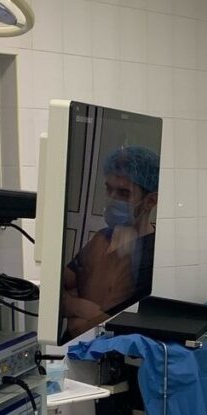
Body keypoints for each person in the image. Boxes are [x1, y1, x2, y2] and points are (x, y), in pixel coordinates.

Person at [61, 145, 159, 341]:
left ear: (150, 201)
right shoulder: (101, 238)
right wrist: (80, 307)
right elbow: (60, 286)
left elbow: (112, 326)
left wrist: (72, 305)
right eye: (109, 189)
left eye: (123, 193)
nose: (112, 199)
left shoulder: (150, 255)